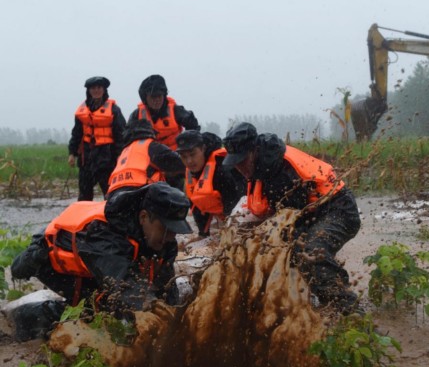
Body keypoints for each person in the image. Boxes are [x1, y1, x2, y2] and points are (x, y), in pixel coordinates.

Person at [222, 123, 362, 313]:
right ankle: (318, 305)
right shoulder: (262, 164)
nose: (239, 167)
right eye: (235, 162)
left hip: (339, 210)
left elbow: (293, 221)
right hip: (314, 212)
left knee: (310, 252)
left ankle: (351, 312)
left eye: (242, 160)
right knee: (288, 250)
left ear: (254, 150)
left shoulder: (281, 173)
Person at [11, 182, 192, 317]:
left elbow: (166, 288)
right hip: (46, 258)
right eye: (166, 229)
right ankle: (24, 318)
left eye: (176, 230)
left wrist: (175, 315)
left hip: (95, 263)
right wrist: (157, 315)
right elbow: (126, 289)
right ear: (144, 217)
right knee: (96, 311)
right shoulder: (104, 235)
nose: (171, 237)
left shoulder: (165, 241)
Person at [176, 130, 246, 236]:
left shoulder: (221, 168)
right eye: (184, 157)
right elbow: (197, 205)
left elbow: (237, 203)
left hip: (241, 210)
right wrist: (203, 234)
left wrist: (230, 232)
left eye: (192, 154)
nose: (189, 161)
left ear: (203, 149)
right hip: (221, 213)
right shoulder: (191, 172)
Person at [68, 76, 126, 200]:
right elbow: (76, 133)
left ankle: (111, 217)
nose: (96, 90)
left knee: (111, 194)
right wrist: (72, 153)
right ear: (88, 91)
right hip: (86, 160)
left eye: (99, 87)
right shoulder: (82, 111)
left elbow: (121, 135)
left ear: (104, 90)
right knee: (84, 196)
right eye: (93, 88)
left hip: (107, 160)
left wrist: (120, 157)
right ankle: (85, 218)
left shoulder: (114, 110)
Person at [107, 119, 186, 194]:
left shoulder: (124, 152)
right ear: (150, 132)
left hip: (113, 196)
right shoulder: (151, 146)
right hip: (138, 194)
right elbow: (182, 163)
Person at [126, 74, 200, 151]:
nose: (157, 100)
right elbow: (126, 137)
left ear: (164, 96)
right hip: (148, 157)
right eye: (153, 97)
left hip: (175, 156)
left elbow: (193, 126)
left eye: (159, 96)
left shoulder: (176, 110)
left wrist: (187, 146)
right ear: (145, 98)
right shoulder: (137, 115)